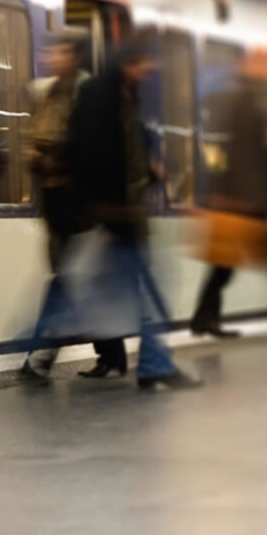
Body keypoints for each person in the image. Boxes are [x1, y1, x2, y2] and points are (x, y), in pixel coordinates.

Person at [68, 31, 195, 390]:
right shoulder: (101, 97)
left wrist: (149, 173)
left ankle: (152, 363)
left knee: (137, 294)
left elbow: (124, 154)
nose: (147, 73)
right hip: (114, 217)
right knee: (144, 296)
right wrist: (104, 204)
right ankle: (154, 365)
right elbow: (89, 153)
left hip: (121, 215)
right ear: (127, 64)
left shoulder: (123, 96)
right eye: (142, 66)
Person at [192, 53, 267, 338]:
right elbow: (246, 156)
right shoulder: (250, 104)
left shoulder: (246, 101)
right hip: (244, 198)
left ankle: (204, 319)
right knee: (233, 262)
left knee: (223, 265)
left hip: (240, 196)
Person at [19, 32, 90, 383]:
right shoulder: (46, 93)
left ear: (76, 56)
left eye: (60, 51)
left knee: (65, 278)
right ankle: (113, 352)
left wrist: (44, 157)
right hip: (54, 199)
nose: (52, 57)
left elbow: (80, 150)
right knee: (70, 278)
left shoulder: (85, 94)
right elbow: (36, 137)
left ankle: (40, 354)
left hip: (77, 202)